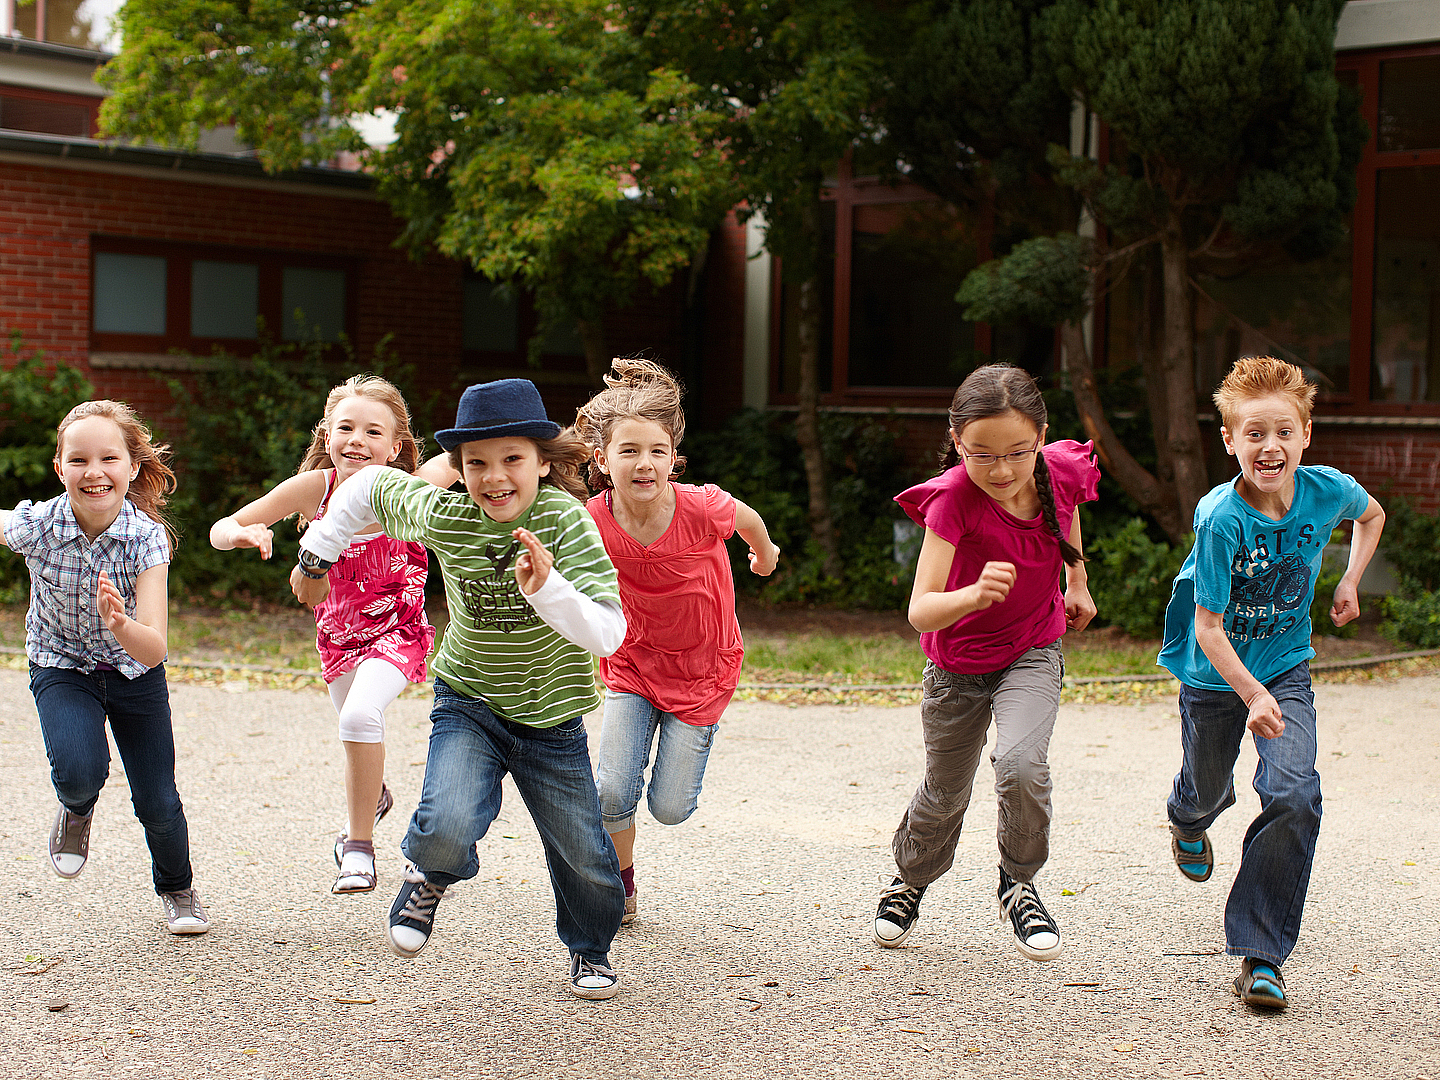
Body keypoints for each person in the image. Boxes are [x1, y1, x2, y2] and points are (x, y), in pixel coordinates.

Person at [292, 378, 629, 1000]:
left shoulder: (566, 523)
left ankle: (590, 951)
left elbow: (609, 634)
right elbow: (365, 487)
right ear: (458, 467)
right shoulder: (447, 515)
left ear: (542, 462)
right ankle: (428, 876)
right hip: (468, 701)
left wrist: (547, 590)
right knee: (446, 822)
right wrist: (319, 552)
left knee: (586, 858)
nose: (494, 477)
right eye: (477, 463)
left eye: (512, 460)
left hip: (551, 720)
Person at [1158, 355, 1385, 1011]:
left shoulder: (1327, 490)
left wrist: (1349, 579)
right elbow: (1207, 627)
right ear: (1229, 441)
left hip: (1285, 667)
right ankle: (1185, 820)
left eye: (1283, 431)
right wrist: (1247, 693)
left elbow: (1371, 516)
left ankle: (1262, 956)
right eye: (1254, 433)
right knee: (1205, 791)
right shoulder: (1222, 517)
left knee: (1294, 791)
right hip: (1215, 675)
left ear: (1305, 435)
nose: (1270, 446)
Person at [872, 363, 1098, 962]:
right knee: (946, 790)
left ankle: (1019, 883)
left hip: (1032, 646)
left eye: (1017, 453)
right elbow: (921, 610)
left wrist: (1076, 579)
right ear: (957, 444)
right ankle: (911, 880)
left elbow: (1067, 511)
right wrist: (973, 596)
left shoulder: (1061, 470)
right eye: (981, 455)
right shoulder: (953, 501)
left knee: (1022, 764)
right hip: (957, 664)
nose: (1001, 471)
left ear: (1042, 437)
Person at [210, 375, 436, 895]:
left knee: (360, 716)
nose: (357, 439)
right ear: (327, 435)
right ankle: (373, 797)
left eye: (372, 432)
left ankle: (357, 848)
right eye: (346, 427)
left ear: (395, 446)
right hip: (338, 638)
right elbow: (221, 528)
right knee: (356, 732)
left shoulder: (410, 491)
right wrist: (243, 532)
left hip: (398, 630)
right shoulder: (316, 489)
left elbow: (457, 469)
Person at [574, 357, 779, 925]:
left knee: (669, 808)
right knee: (613, 791)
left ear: (673, 457)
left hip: (702, 668)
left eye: (657, 451)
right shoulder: (592, 519)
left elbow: (748, 519)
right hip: (632, 664)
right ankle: (621, 881)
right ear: (602, 460)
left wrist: (765, 556)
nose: (645, 464)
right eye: (629, 451)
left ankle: (676, 771)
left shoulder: (700, 505)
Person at [1, 400, 210, 934]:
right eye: (79, 460)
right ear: (60, 468)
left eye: (108, 459)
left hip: (133, 671)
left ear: (132, 467)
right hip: (61, 665)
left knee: (158, 801)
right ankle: (76, 809)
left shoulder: (146, 539)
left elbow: (154, 649)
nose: (94, 472)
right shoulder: (39, 526)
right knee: (79, 772)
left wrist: (120, 624)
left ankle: (178, 889)